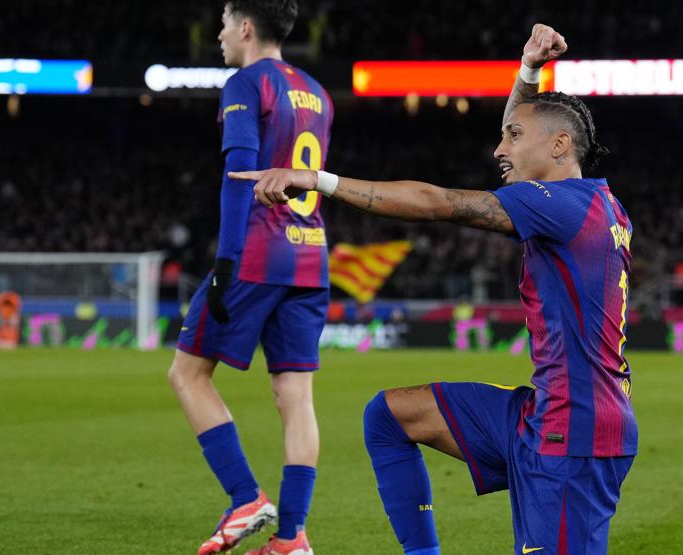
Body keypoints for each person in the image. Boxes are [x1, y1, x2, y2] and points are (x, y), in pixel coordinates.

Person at [231, 24, 637, 555]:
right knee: (390, 416)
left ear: (560, 145)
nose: (500, 147)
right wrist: (529, 70)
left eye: (512, 136)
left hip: (577, 435)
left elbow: (436, 203)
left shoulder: (559, 206)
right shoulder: (592, 203)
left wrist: (317, 180)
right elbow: (524, 129)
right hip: (542, 414)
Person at [168, 1, 332, 554]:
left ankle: (245, 498)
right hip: (311, 254)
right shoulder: (318, 92)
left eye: (221, 23)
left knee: (188, 374)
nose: (216, 34)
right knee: (296, 396)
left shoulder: (246, 83)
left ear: (244, 27)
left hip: (259, 255)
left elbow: (240, 176)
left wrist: (223, 265)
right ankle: (293, 537)